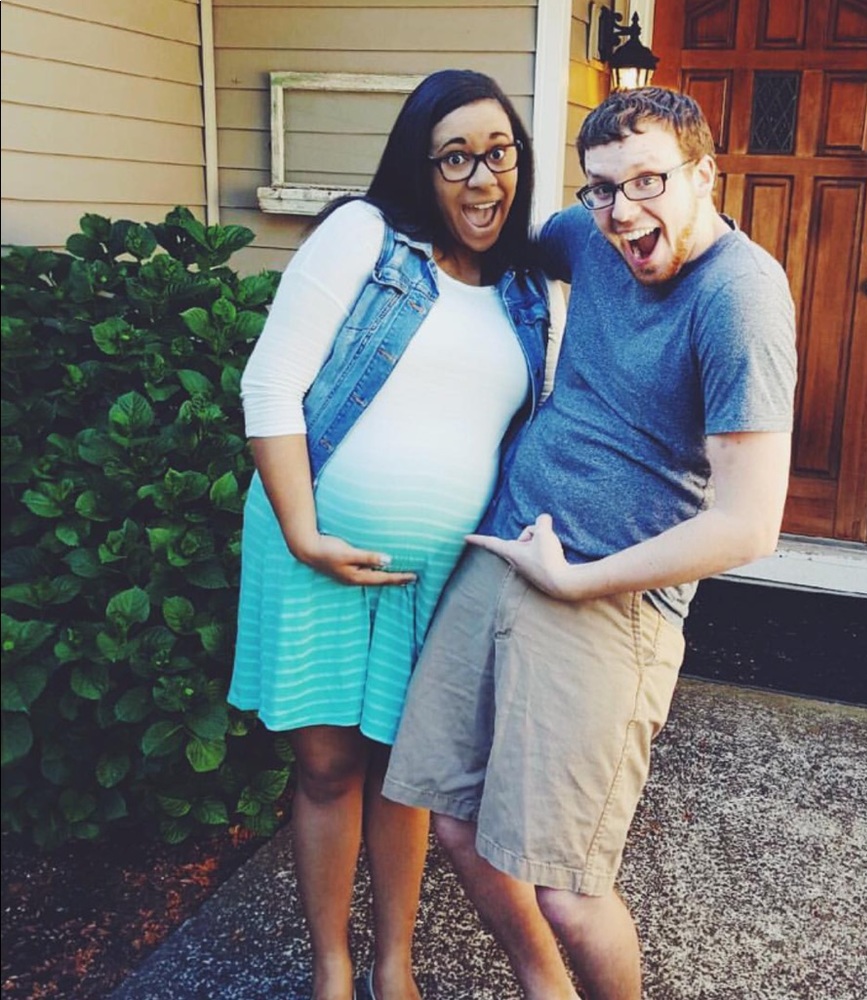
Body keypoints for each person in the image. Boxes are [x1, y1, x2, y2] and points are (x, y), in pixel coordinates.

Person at [382, 86, 798, 1000]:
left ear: (704, 175)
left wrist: (578, 582)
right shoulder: (591, 233)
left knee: (569, 889)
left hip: (609, 599)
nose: (623, 212)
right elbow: (480, 233)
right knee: (452, 819)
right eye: (602, 188)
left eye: (648, 182)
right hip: (505, 552)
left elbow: (749, 523)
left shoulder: (741, 296)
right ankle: (547, 990)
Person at [228, 70, 551, 1000]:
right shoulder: (364, 237)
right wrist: (302, 532)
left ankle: (394, 965)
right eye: (456, 157)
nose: (482, 178)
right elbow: (269, 386)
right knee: (329, 765)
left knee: (404, 774)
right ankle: (333, 968)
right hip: (315, 547)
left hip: (438, 576)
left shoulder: (529, 289)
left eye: (499, 153)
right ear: (422, 165)